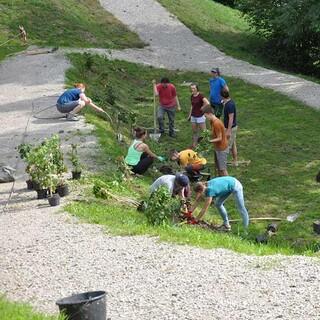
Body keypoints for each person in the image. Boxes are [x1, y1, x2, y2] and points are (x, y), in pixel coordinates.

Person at [202, 105, 228, 176]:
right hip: (217, 147)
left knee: (223, 169)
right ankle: (220, 182)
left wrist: (209, 141)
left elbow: (220, 138)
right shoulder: (212, 122)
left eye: (206, 116)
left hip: (222, 148)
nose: (206, 118)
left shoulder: (216, 123)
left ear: (210, 113)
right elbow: (214, 133)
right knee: (218, 167)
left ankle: (229, 184)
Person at [187, 83, 210, 148]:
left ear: (197, 88)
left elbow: (208, 103)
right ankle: (194, 144)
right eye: (191, 88)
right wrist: (189, 115)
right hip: (193, 116)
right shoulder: (192, 96)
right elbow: (192, 106)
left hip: (200, 116)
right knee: (194, 131)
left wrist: (202, 108)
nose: (192, 89)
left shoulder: (200, 96)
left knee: (204, 132)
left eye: (194, 88)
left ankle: (207, 143)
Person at [221, 89, 238, 166]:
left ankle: (223, 163)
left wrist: (228, 130)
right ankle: (235, 161)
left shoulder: (229, 105)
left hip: (230, 128)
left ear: (222, 96)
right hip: (231, 128)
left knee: (227, 146)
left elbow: (231, 118)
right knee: (233, 144)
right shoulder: (228, 103)